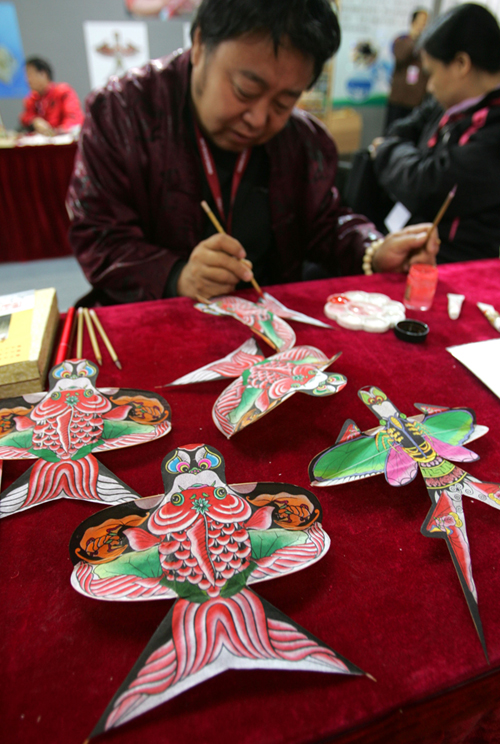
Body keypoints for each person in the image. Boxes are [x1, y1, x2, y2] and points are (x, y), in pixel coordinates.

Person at [68, 0, 438, 306]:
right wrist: (177, 275)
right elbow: (99, 234)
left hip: (270, 330)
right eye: (245, 90)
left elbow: (324, 223)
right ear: (199, 43)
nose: (259, 119)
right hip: (159, 318)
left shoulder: (305, 141)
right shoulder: (121, 112)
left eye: (285, 101)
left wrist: (373, 249)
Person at [371, 3, 500, 263]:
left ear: (461, 64)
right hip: (413, 245)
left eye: (431, 73)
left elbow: (425, 186)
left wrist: (385, 150)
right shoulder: (448, 104)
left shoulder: (494, 132)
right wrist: (405, 154)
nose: (429, 86)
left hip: (455, 265)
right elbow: (402, 129)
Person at [385, 8, 429, 133]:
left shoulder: (426, 45)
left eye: (426, 22)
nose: (424, 25)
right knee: (391, 133)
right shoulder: (402, 40)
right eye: (421, 21)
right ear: (413, 22)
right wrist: (413, 37)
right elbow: (400, 56)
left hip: (416, 103)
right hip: (398, 101)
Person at [20, 57, 84, 136]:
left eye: (30, 75)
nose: (27, 80)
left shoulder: (63, 92)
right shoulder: (32, 98)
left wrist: (59, 131)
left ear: (43, 74)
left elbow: (73, 118)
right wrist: (34, 121)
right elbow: (25, 117)